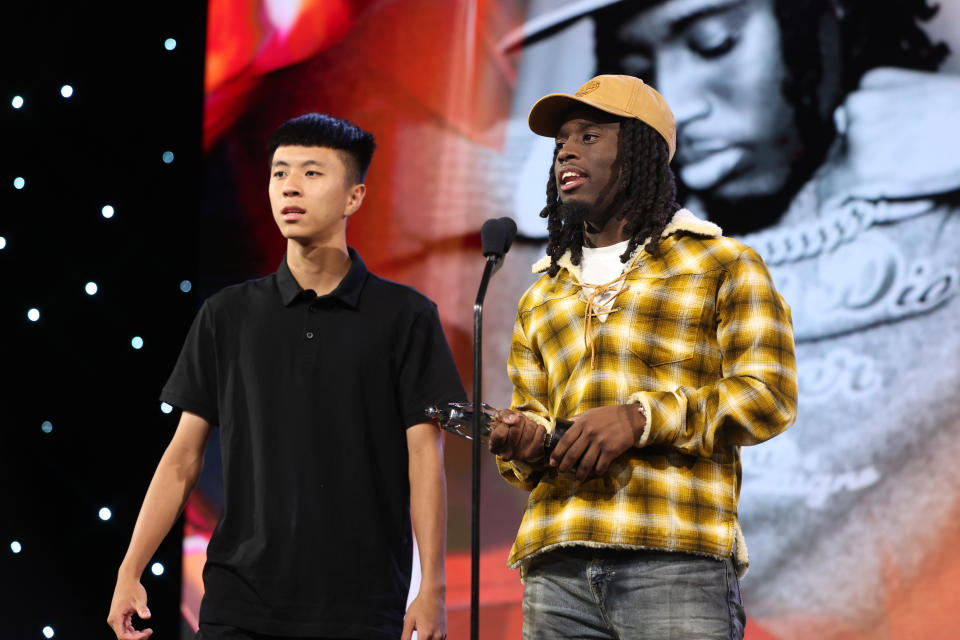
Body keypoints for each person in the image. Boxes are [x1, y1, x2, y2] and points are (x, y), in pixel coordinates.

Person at [107, 113, 465, 640]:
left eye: (312, 173)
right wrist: (129, 569)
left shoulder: (406, 316)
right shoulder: (227, 315)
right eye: (279, 173)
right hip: (239, 602)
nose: (290, 187)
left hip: (360, 606)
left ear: (354, 197)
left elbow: (423, 457)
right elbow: (183, 455)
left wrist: (431, 587)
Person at [488, 74, 797, 639]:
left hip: (673, 555)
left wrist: (642, 417)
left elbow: (768, 396)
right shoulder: (544, 293)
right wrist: (524, 441)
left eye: (589, 135)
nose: (566, 150)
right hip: (556, 562)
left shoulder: (721, 263)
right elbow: (535, 414)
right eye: (561, 141)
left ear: (639, 151)